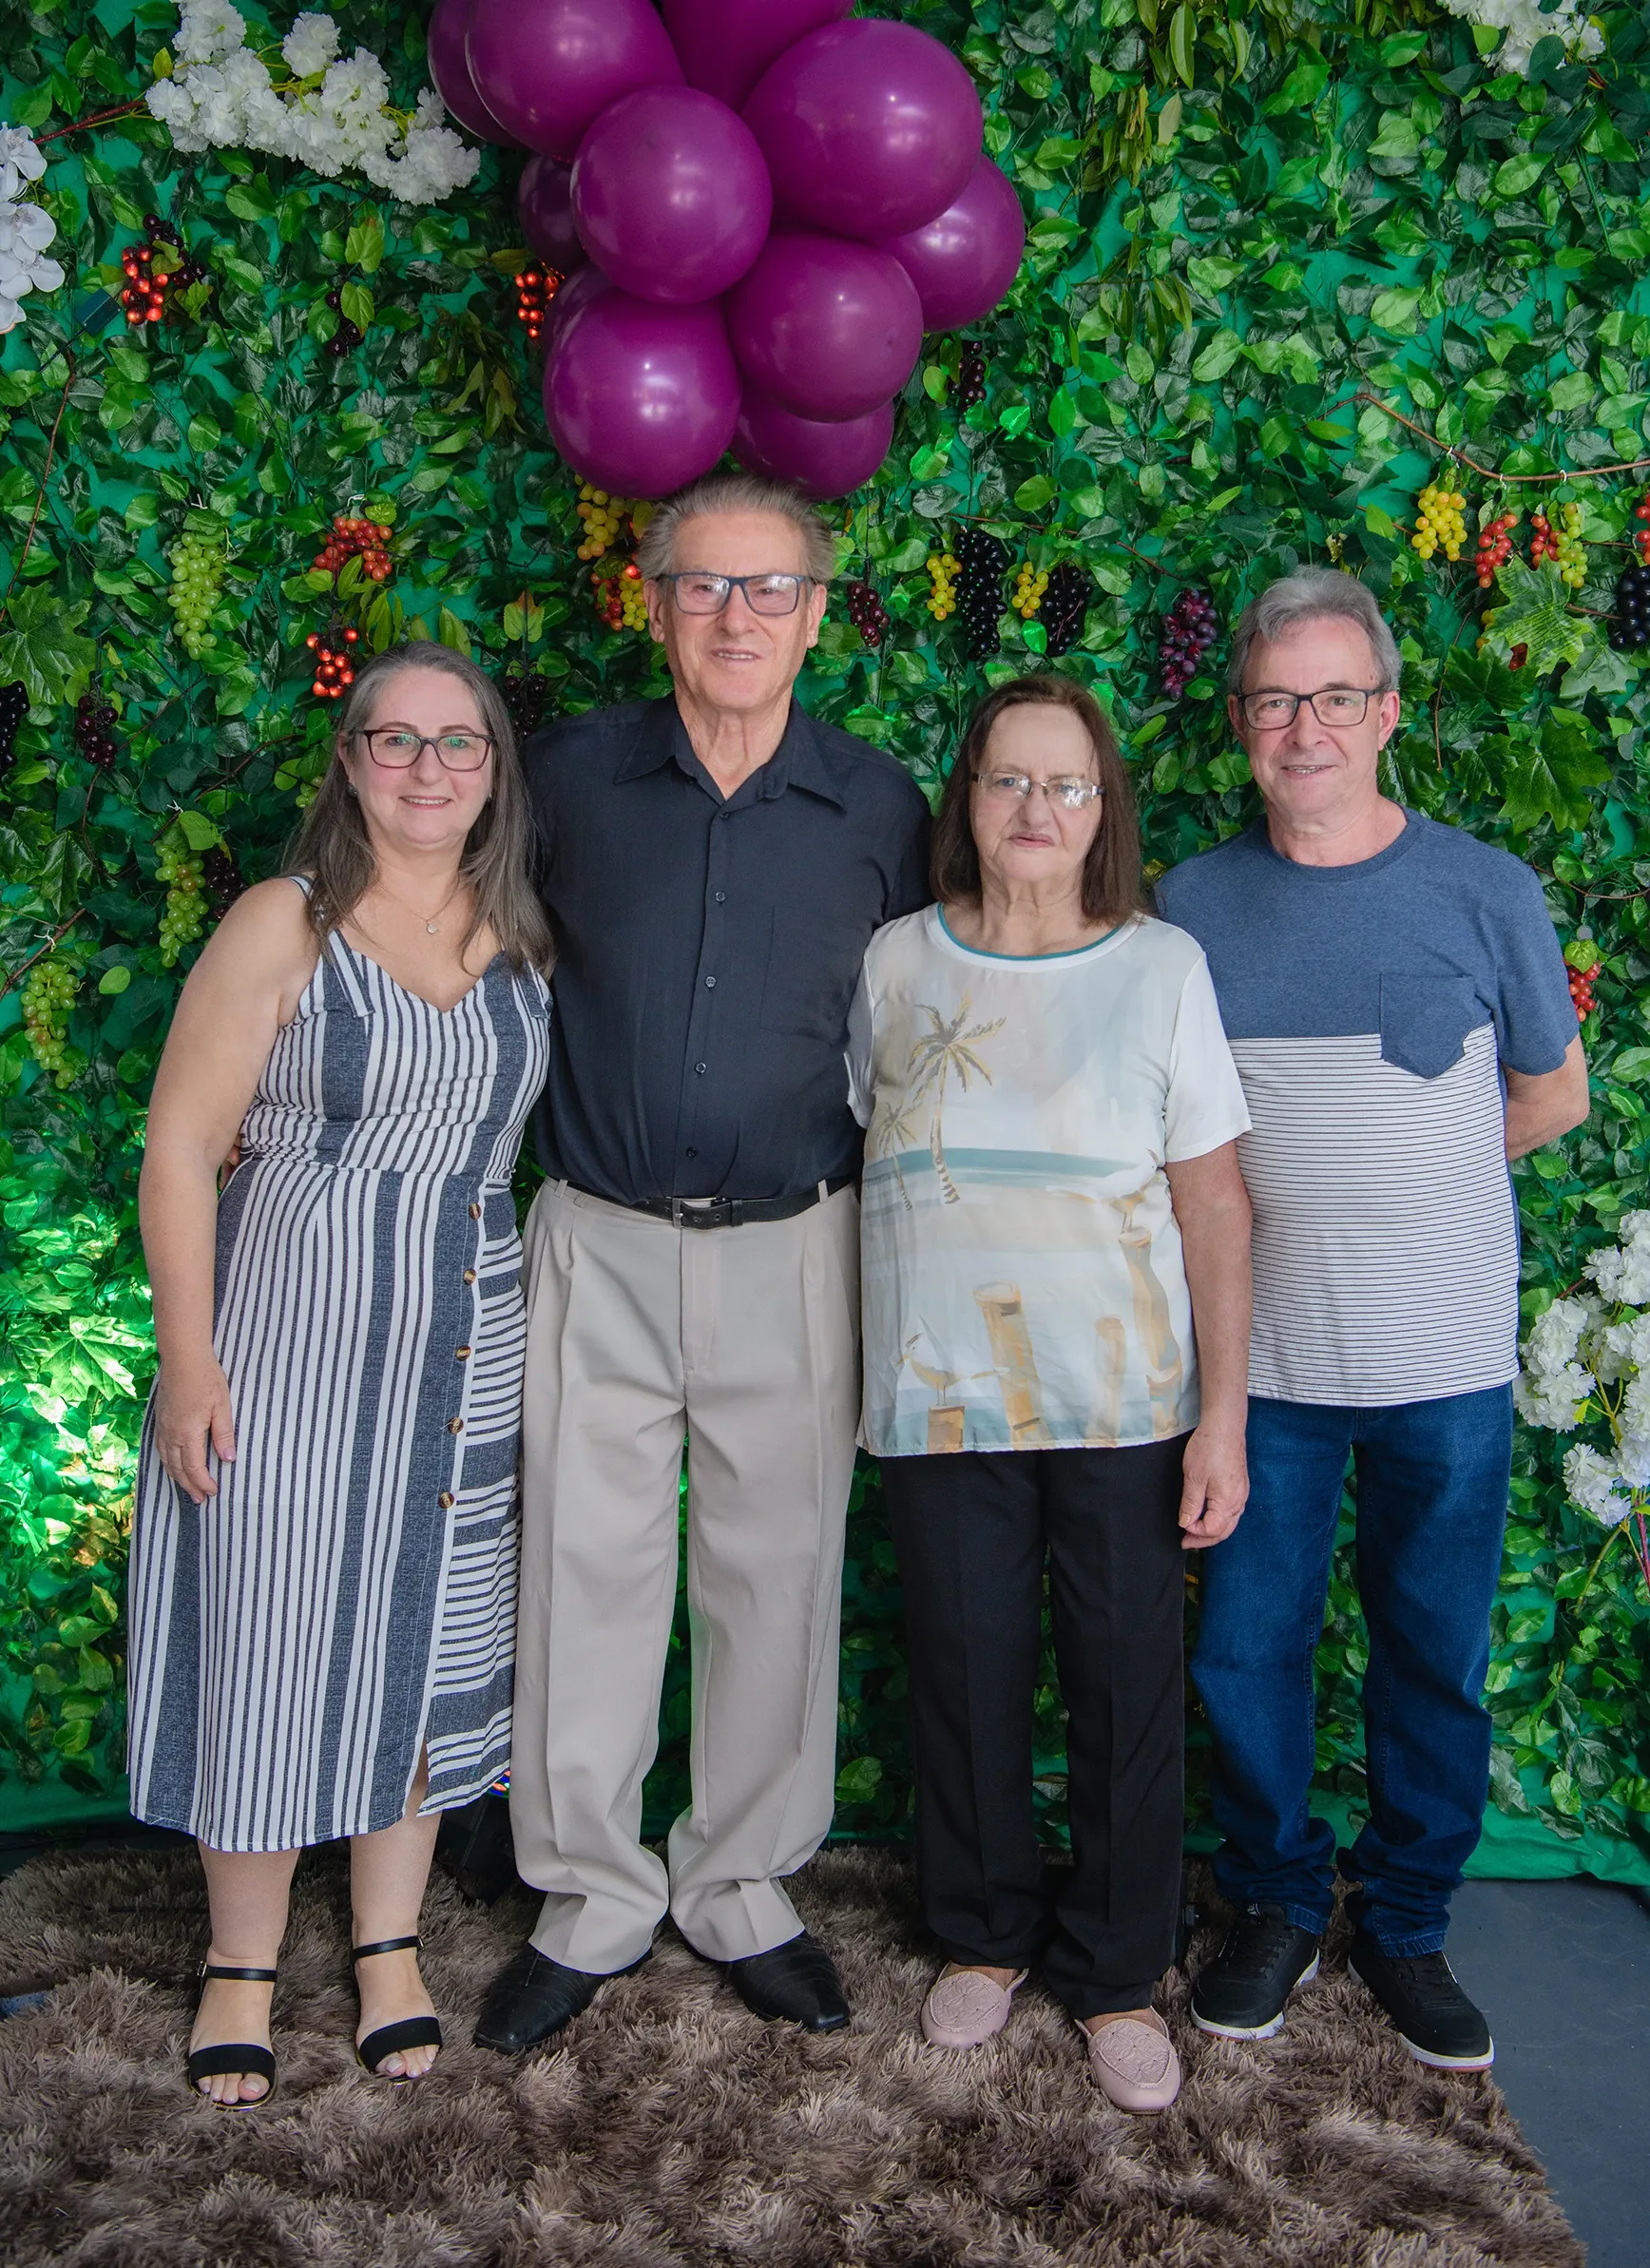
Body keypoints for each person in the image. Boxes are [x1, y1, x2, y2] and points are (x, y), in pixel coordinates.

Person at [474, 472, 931, 2054]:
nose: (735, 618)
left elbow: (930, 1037)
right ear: (654, 602)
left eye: (768, 590)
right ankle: (589, 1894)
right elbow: (449, 948)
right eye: (703, 588)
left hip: (796, 1246)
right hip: (595, 1239)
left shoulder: (882, 809)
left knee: (776, 1578)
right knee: (584, 1574)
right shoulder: (566, 781)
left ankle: (741, 1881)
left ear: (817, 611)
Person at [1157, 569, 1589, 2072]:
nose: (1306, 727)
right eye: (1276, 700)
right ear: (1243, 724)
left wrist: (1404, 1175)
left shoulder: (1485, 891)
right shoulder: (1195, 904)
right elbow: (1177, 1128)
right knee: (1248, 1650)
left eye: (1336, 696)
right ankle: (1274, 1897)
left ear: (1388, 713)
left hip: (1445, 1364)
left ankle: (1407, 1919)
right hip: (1260, 1368)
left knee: (1431, 1649)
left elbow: (1552, 1094)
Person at [127, 643, 552, 2105]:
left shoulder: (525, 937)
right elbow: (182, 1142)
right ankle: (240, 1962)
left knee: (426, 1640)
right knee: (267, 1623)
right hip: (290, 1334)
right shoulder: (284, 922)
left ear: (495, 770)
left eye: (460, 743)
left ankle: (387, 1944)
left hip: (464, 1334)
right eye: (397, 740)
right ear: (352, 759)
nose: (428, 768)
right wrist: (190, 1360)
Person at [849, 674, 1254, 2113]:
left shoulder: (1162, 968)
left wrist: (1225, 1413)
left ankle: (1116, 1969)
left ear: (1104, 811)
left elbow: (1213, 1201)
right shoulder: (896, 963)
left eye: (1066, 786)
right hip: (937, 1394)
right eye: (1009, 780)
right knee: (960, 1672)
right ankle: (981, 1932)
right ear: (969, 797)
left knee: (1123, 1683)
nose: (1036, 810)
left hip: (1125, 1399)